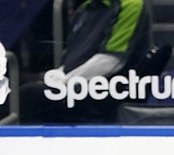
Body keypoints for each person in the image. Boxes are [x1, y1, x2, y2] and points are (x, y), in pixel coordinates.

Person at [17, 0, 150, 123]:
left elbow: (112, 61)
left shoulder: (131, 5)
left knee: (26, 95)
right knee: (19, 92)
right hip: (75, 86)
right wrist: (54, 76)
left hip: (105, 91)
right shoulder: (85, 8)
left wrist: (63, 83)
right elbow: (74, 59)